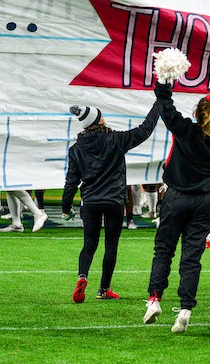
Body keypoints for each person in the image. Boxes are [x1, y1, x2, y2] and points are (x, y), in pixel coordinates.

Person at [143, 71, 210, 333]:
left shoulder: (185, 129)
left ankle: (155, 298)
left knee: (163, 250)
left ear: (197, 113)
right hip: (204, 201)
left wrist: (165, 78)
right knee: (192, 257)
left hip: (176, 197)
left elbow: (165, 106)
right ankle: (186, 307)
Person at [63, 103, 159, 302]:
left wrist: (66, 207)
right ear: (99, 120)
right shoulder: (116, 139)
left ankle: (82, 276)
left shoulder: (76, 148)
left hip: (90, 201)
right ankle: (104, 289)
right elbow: (145, 129)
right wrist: (159, 104)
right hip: (114, 200)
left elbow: (71, 181)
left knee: (89, 244)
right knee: (111, 245)